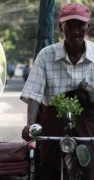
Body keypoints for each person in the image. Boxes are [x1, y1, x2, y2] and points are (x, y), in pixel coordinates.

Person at [20, 2, 94, 180]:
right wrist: (30, 124)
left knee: (90, 165)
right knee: (47, 167)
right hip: (54, 121)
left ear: (87, 26)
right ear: (61, 27)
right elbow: (34, 94)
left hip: (88, 121)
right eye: (70, 26)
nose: (75, 31)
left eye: (80, 26)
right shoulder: (46, 55)